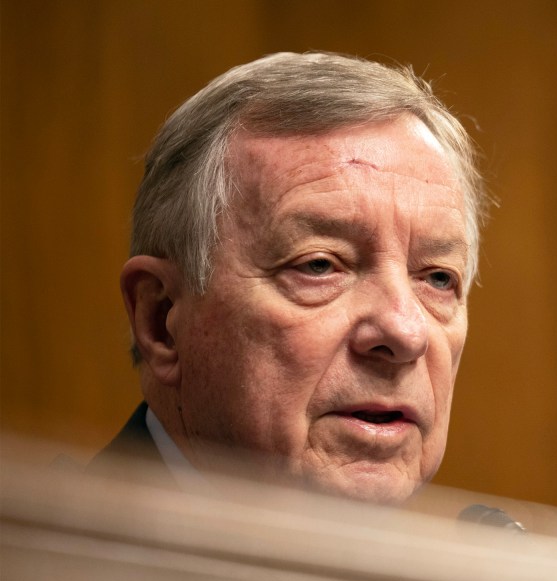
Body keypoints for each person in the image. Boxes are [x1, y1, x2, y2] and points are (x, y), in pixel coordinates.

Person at [88, 52, 488, 506]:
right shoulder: (49, 549)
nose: (406, 333)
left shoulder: (484, 546)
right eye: (319, 266)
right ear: (160, 322)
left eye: (438, 278)